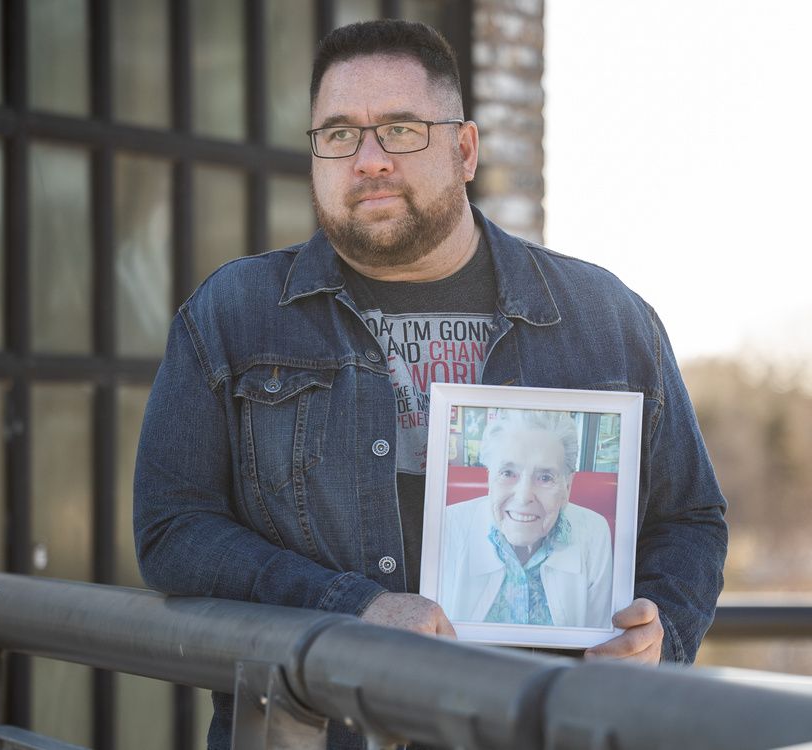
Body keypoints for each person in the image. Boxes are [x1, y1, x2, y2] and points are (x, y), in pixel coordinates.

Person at [134, 19, 727, 749]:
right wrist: (354, 608)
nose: (370, 159)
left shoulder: (606, 318)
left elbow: (691, 519)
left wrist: (660, 630)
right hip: (312, 733)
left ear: (465, 148)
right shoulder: (233, 316)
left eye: (402, 130)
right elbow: (171, 530)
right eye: (340, 134)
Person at [440, 410, 613, 628]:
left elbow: (599, 645)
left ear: (567, 487)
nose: (523, 497)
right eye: (507, 473)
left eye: (545, 477)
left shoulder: (594, 532)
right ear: (490, 479)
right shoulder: (447, 526)